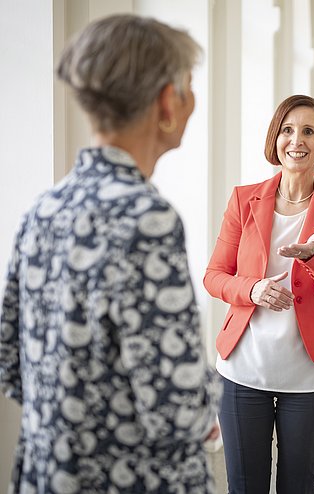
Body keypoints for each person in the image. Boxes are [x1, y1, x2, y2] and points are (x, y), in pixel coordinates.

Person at [0, 14, 222, 494]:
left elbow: (11, 364)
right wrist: (210, 404)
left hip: (50, 473)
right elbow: (178, 408)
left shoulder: (44, 208)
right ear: (168, 99)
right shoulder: (146, 218)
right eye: (188, 85)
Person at [204, 94, 314, 493]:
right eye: (288, 130)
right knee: (244, 485)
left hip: (309, 373)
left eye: (309, 131)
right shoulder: (244, 199)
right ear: (275, 138)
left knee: (299, 485)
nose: (297, 140)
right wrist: (252, 289)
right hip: (243, 369)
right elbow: (214, 276)